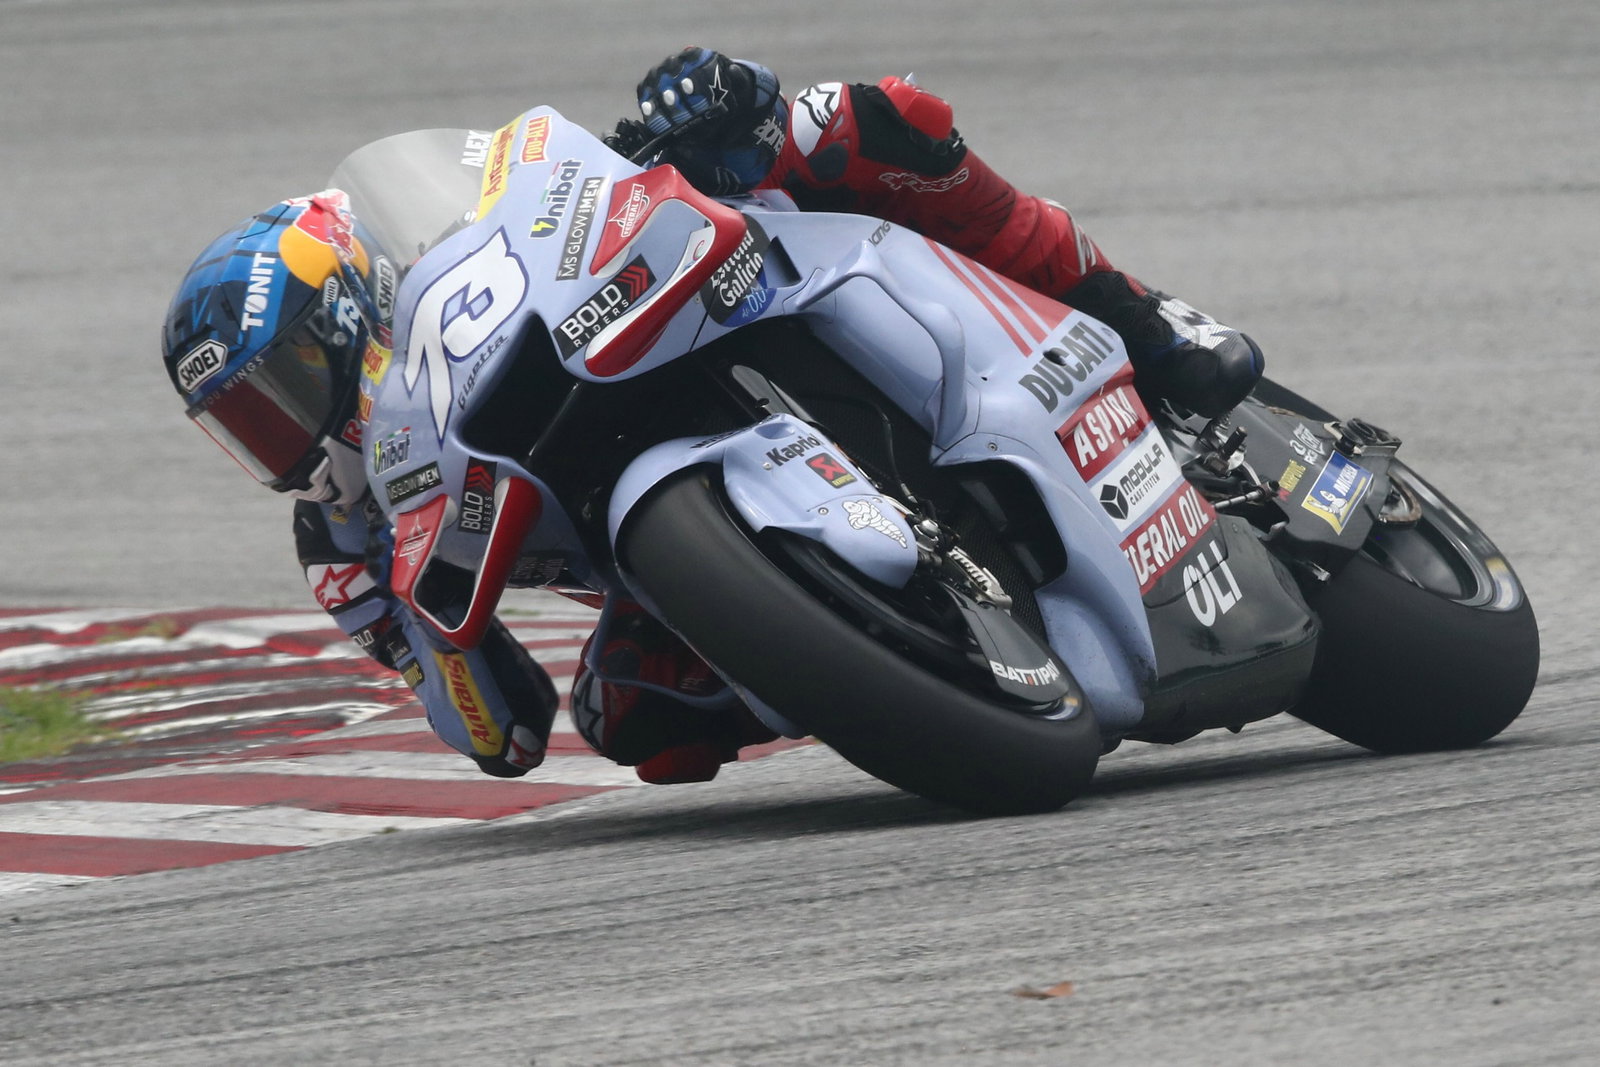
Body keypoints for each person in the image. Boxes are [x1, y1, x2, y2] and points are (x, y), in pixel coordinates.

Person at [158, 48, 1263, 786]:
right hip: (652, 555)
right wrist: (436, 649)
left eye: (282, 390)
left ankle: (1139, 316)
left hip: (752, 293)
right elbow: (503, 735)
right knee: (633, 717)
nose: (285, 437)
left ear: (353, 308)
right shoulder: (341, 539)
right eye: (246, 424)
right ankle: (900, 655)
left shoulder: (456, 276)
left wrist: (705, 114)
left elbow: (543, 186)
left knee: (848, 125)